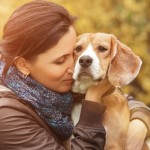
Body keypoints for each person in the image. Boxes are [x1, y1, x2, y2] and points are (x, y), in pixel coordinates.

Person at [0, 0, 149, 149]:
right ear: (23, 65)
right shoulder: (6, 117)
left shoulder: (56, 86)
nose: (73, 66)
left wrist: (140, 124)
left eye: (72, 54)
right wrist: (92, 101)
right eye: (60, 61)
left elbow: (122, 98)